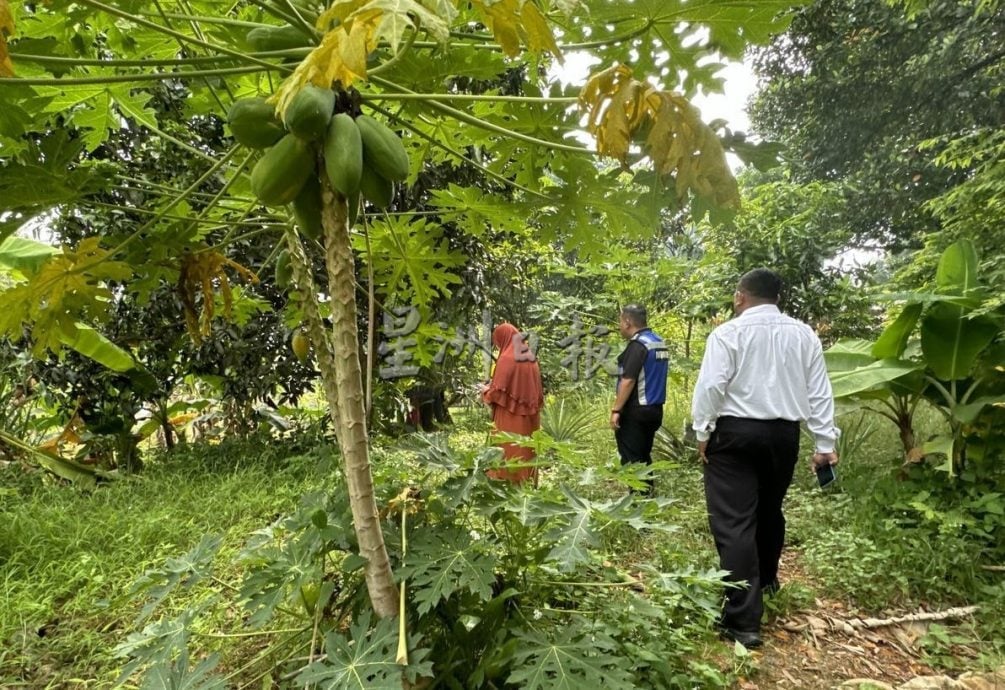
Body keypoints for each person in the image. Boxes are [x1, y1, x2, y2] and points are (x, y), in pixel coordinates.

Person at [691, 268, 840, 649]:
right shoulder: (804, 334)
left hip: (734, 435)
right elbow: (819, 391)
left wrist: (703, 432)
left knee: (734, 522)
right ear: (777, 298)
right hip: (783, 436)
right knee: (769, 510)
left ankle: (743, 621)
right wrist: (824, 442)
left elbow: (711, 386)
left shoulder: (728, 333)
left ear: (740, 296)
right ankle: (767, 582)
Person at [610, 304, 669, 495]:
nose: (619, 325)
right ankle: (647, 499)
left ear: (628, 322)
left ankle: (639, 504)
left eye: (620, 321)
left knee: (633, 462)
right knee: (643, 457)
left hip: (636, 411)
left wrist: (616, 410)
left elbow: (628, 380)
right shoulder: (658, 341)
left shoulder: (638, 345)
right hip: (654, 409)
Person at [481, 323, 544, 484]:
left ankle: (506, 485)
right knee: (527, 451)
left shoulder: (506, 359)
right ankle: (528, 483)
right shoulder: (530, 357)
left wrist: (485, 391)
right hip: (531, 417)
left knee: (508, 449)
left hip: (509, 415)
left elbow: (498, 392)